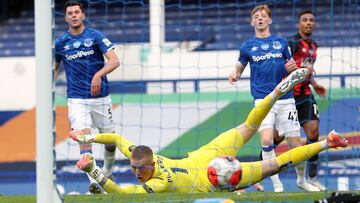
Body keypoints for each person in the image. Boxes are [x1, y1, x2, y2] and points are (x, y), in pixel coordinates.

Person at [70, 69, 346, 194]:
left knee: (265, 149)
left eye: (140, 169)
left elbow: (120, 192)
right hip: (210, 162)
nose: (137, 172)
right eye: (134, 168)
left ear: (152, 161)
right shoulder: (143, 161)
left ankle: (276, 94)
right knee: (263, 147)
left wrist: (92, 166)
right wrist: (88, 140)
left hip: (210, 167)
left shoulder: (156, 184)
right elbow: (118, 140)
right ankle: (325, 142)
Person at [228, 4, 318, 192]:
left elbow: (289, 66)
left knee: (296, 143)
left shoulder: (282, 42)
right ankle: (276, 183)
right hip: (263, 100)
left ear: (269, 20)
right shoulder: (247, 46)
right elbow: (239, 67)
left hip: (286, 98)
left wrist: (293, 69)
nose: (260, 18)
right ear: (252, 21)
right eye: (256, 16)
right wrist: (234, 75)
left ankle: (302, 180)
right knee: (267, 141)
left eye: (263, 16)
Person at [54, 1, 120, 193]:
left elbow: (115, 61)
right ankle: (95, 181)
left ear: (83, 15)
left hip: (101, 98)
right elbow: (54, 69)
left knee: (110, 142)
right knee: (84, 139)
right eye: (69, 13)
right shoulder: (60, 43)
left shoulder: (95, 35)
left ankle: (107, 171)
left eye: (76, 12)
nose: (73, 15)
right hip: (76, 100)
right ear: (66, 17)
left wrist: (98, 75)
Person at [265, 10, 327, 191]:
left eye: (311, 20)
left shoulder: (314, 45)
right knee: (275, 138)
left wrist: (314, 84)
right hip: (288, 97)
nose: (308, 23)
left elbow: (308, 70)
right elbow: (282, 66)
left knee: (313, 132)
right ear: (299, 24)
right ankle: (255, 174)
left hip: (306, 95)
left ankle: (313, 177)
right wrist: (298, 68)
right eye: (304, 20)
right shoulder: (291, 43)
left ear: (314, 24)